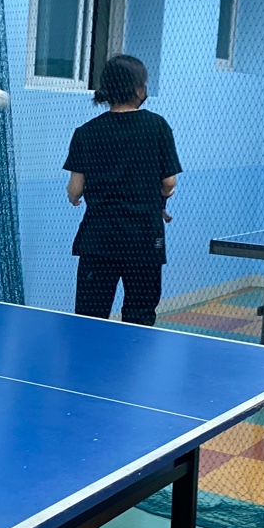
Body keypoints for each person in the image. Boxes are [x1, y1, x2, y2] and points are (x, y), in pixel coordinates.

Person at [63, 54, 181, 326]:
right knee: (140, 315)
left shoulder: (86, 132)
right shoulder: (157, 126)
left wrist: (74, 198)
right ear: (138, 89)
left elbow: (75, 189)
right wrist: (161, 197)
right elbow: (169, 182)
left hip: (99, 239)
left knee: (90, 317)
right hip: (144, 239)